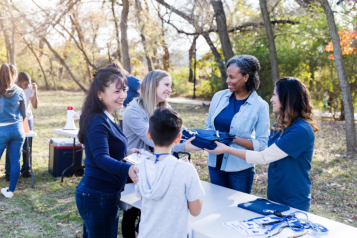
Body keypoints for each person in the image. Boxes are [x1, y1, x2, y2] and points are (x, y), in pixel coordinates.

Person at [205, 77, 318, 212]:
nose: (271, 99)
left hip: (293, 199)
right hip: (275, 194)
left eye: (275, 95)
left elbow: (264, 157)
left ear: (287, 97)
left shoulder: (301, 130)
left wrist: (227, 149)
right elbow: (264, 152)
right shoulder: (280, 126)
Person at [122, 69, 197, 238]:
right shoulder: (133, 110)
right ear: (152, 86)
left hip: (160, 165)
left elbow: (176, 130)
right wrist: (185, 146)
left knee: (151, 210)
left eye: (170, 85)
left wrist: (199, 139)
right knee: (134, 211)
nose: (170, 89)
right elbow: (154, 141)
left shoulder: (164, 106)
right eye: (166, 85)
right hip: (137, 168)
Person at [75, 67, 140, 237]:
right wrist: (128, 169)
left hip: (101, 194)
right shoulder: (98, 120)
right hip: (98, 195)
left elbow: (106, 148)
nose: (123, 95)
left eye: (124, 90)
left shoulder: (107, 116)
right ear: (100, 94)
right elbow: (101, 158)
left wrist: (127, 152)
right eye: (116, 91)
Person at [135, 107, 205, 238]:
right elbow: (196, 211)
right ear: (178, 138)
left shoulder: (141, 166)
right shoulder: (186, 170)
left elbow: (144, 198)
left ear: (148, 133)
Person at [205, 55, 270, 193]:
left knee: (238, 211)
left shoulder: (260, 106)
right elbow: (209, 127)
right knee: (217, 206)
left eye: (232, 77)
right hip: (214, 163)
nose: (227, 80)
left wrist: (230, 138)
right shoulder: (218, 97)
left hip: (240, 168)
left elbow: (261, 144)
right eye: (227, 76)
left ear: (246, 77)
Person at [5, 71, 38, 180]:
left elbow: (35, 106)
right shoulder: (12, 87)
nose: (27, 87)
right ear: (18, 82)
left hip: (27, 119)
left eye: (28, 84)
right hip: (15, 120)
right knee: (11, 146)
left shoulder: (30, 88)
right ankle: (9, 172)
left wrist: (34, 91)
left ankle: (26, 169)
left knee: (27, 146)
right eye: (24, 85)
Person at [0, 63, 27, 198]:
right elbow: (24, 113)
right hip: (17, 129)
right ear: (14, 75)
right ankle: (10, 191)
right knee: (15, 161)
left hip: (1, 129)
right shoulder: (20, 91)